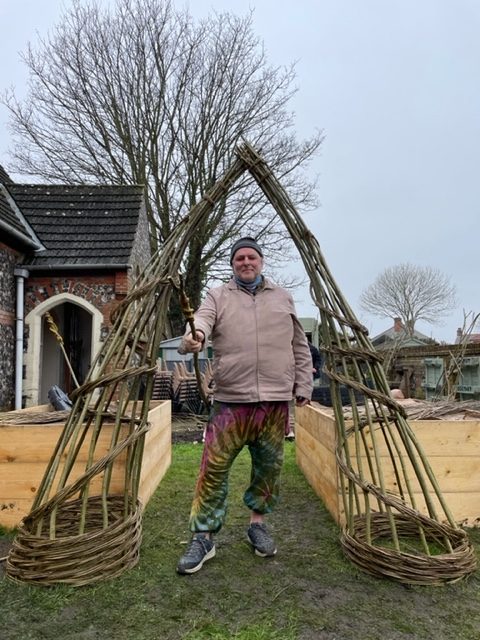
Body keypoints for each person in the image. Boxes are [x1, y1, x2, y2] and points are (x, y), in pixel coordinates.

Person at [176, 236, 313, 574]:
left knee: (268, 469)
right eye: (240, 258)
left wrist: (304, 383)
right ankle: (204, 536)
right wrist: (194, 337)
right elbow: (202, 322)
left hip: (274, 401)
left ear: (261, 261)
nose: (246, 262)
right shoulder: (218, 295)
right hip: (230, 401)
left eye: (252, 257)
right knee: (213, 469)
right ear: (233, 264)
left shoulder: (282, 298)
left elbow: (299, 345)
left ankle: (257, 525)